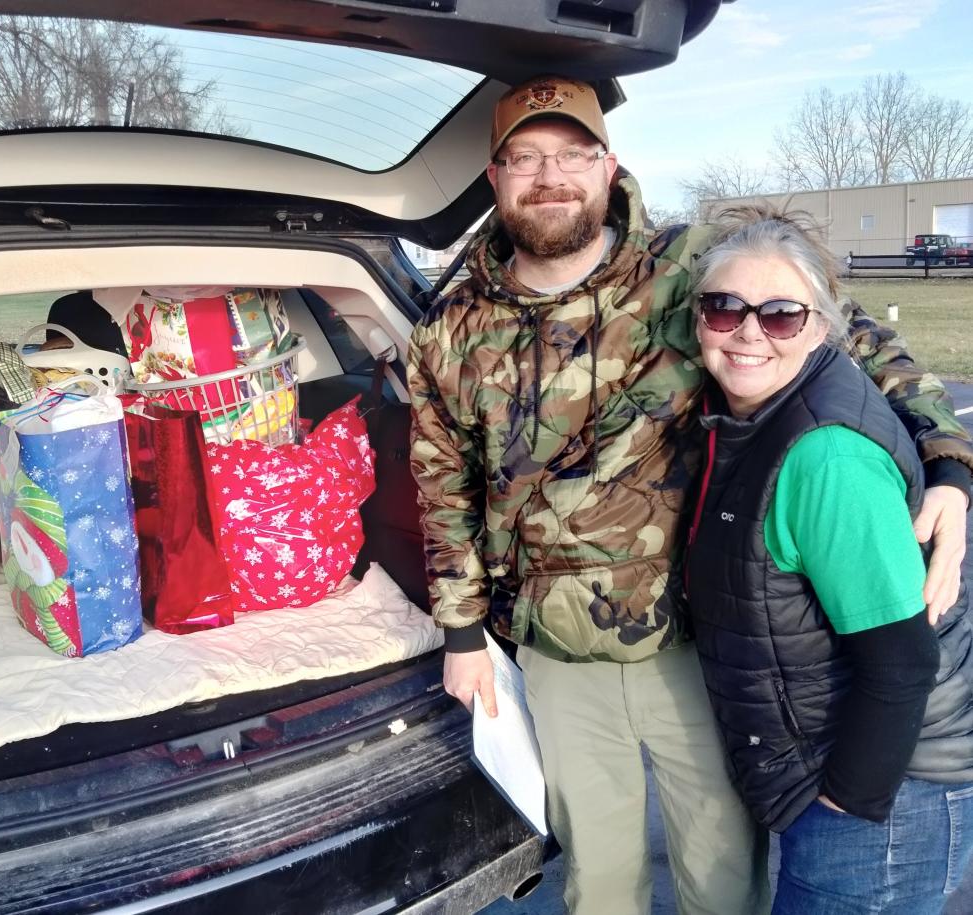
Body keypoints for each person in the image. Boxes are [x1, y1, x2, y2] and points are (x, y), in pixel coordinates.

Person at [406, 75, 973, 914]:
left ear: (609, 167)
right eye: (524, 157)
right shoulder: (448, 328)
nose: (549, 175)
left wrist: (953, 470)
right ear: (495, 178)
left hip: (701, 640)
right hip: (558, 651)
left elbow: (856, 339)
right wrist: (460, 631)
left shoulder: (692, 272)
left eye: (572, 154)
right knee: (596, 879)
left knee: (720, 867)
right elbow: (442, 479)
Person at [684, 204, 973, 913]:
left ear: (821, 326)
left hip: (882, 798)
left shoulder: (825, 455)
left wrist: (848, 801)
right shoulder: (759, 417)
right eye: (723, 308)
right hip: (850, 774)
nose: (748, 331)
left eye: (780, 314)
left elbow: (903, 659)